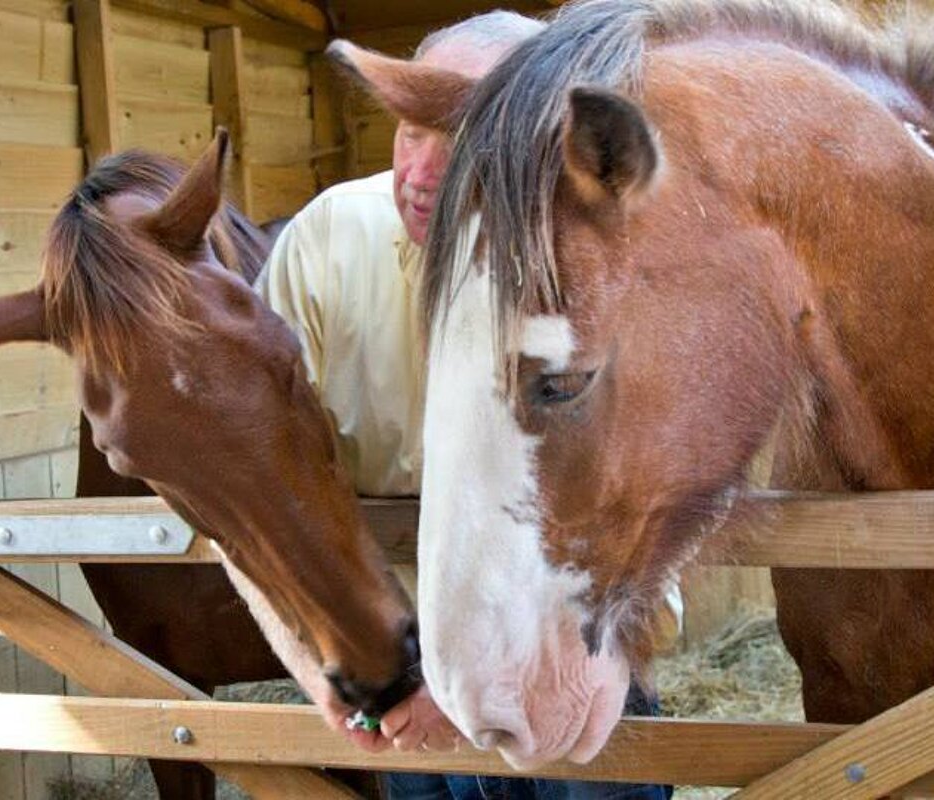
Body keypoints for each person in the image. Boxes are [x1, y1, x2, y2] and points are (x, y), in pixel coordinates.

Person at [257, 11, 677, 799]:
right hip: (411, 689)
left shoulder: (615, 252)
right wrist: (339, 664)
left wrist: (620, 642)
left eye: (462, 136)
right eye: (410, 129)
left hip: (575, 662)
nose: (420, 171)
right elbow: (248, 475)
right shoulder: (320, 245)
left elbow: (669, 463)